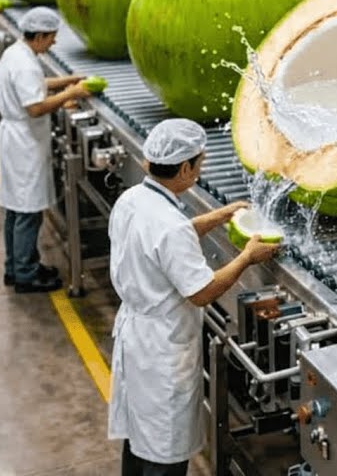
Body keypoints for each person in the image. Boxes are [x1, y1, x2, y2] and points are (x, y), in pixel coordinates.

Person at [107, 118, 278, 476]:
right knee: (164, 452)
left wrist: (219, 216)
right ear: (185, 168)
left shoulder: (132, 199)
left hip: (136, 337)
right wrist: (246, 258)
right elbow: (202, 292)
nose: (200, 169)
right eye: (199, 163)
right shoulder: (169, 227)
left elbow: (166, 237)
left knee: (139, 438)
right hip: (163, 350)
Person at [0, 7, 91, 293]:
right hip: (24, 143)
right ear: (38, 36)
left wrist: (68, 81)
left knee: (16, 210)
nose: (54, 42)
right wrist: (71, 94)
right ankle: (26, 275)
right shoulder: (25, 63)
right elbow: (35, 107)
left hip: (15, 139)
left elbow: (36, 85)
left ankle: (15, 267)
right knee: (28, 212)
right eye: (51, 37)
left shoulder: (16, 53)